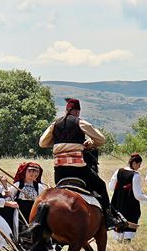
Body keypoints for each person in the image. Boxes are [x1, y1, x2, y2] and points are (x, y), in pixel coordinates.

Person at [39, 97, 118, 227]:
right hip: (78, 169)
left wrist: (58, 143)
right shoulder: (79, 122)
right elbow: (101, 139)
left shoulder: (55, 124)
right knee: (101, 186)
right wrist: (89, 143)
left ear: (66, 110)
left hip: (59, 172)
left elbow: (42, 143)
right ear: (77, 111)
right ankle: (109, 217)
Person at [107, 153, 147, 242]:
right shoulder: (135, 175)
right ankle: (127, 247)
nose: (139, 167)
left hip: (117, 203)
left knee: (119, 225)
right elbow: (137, 195)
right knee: (128, 231)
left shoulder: (118, 171)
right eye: (139, 164)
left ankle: (120, 249)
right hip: (130, 206)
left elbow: (111, 187)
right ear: (134, 163)